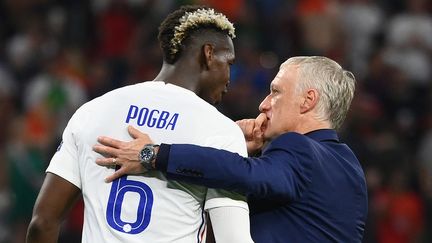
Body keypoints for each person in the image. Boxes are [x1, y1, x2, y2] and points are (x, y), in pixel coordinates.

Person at [26, 5, 254, 243]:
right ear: (208, 54)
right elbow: (233, 238)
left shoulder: (92, 111)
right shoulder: (220, 130)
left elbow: (42, 223)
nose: (229, 78)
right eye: (229, 63)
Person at [93, 56, 368, 242]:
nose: (264, 104)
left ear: (308, 100)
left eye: (276, 92)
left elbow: (245, 174)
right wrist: (238, 148)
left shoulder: (298, 148)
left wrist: (155, 154)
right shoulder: (351, 167)